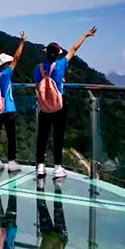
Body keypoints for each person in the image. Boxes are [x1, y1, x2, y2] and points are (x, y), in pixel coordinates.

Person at [34, 27, 97, 177]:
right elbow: (74, 48)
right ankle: (57, 168)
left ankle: (40, 166)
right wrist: (85, 35)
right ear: (57, 54)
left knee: (42, 135)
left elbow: (37, 86)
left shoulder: (39, 68)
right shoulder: (61, 64)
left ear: (46, 54)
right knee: (58, 135)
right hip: (59, 104)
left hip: (44, 105)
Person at [0, 31, 26, 171]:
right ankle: (12, 162)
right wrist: (22, 43)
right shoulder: (6, 73)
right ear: (3, 63)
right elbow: (17, 57)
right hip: (8, 108)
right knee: (11, 136)